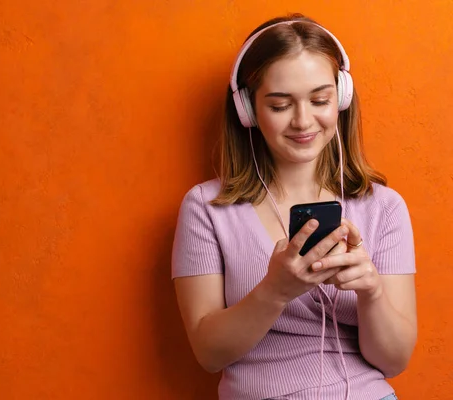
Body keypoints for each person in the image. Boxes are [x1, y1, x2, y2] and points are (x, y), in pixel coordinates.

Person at [171, 13, 417, 400]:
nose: (304, 121)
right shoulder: (205, 208)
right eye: (280, 105)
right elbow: (209, 354)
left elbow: (395, 362)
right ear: (247, 111)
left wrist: (372, 293)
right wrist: (275, 291)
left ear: (342, 98)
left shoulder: (383, 208)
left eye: (320, 100)